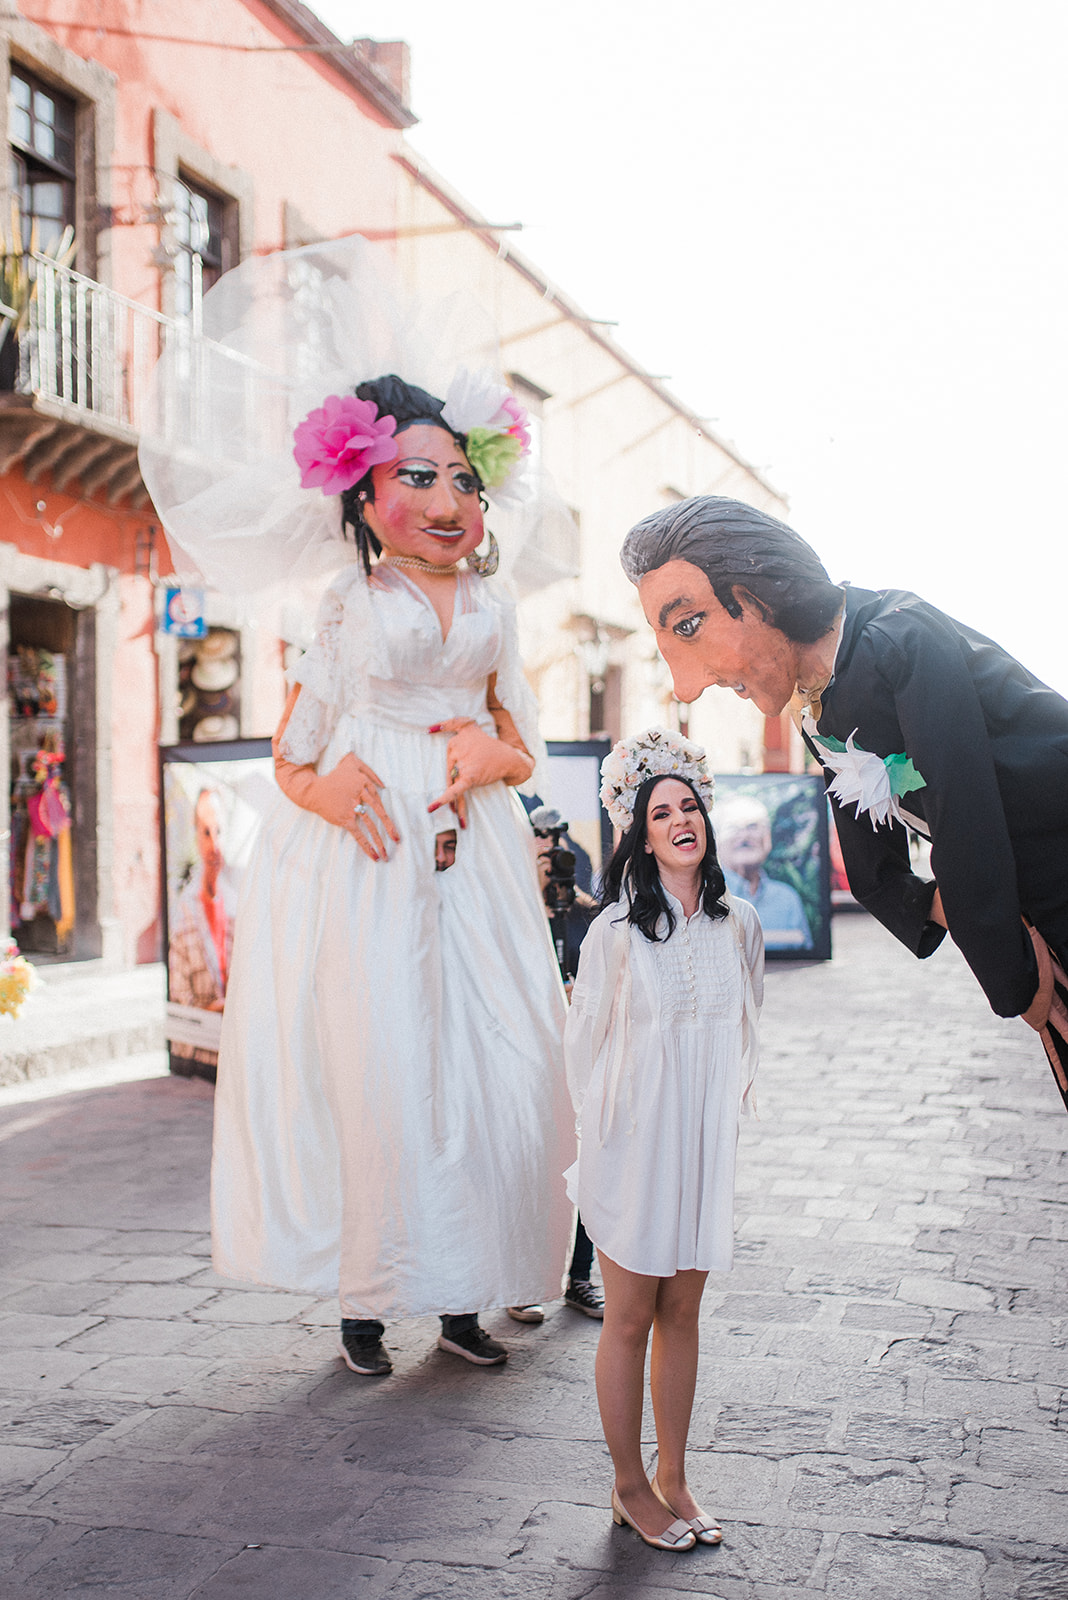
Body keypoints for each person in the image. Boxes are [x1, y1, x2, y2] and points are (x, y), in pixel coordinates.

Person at [620, 495, 1068, 1112]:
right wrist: (981, 921)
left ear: (754, 596)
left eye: (689, 625)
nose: (688, 684)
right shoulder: (815, 709)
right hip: (1040, 909)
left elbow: (969, 820)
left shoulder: (901, 636)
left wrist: (1019, 983)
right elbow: (874, 873)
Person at [564, 727, 763, 1552]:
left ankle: (676, 1476)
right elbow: (582, 1049)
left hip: (702, 1146)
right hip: (635, 1146)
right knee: (631, 1317)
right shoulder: (613, 933)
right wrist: (603, 1148)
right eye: (661, 812)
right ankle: (628, 1486)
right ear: (639, 834)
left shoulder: (739, 923)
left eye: (690, 807)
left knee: (685, 1312)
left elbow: (739, 1033)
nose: (681, 820)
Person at [507, 812, 605, 1326]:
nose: (551, 866)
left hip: (583, 1058)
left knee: (587, 1164)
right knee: (527, 1166)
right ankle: (522, 1280)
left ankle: (580, 1278)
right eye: (540, 855)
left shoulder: (587, 916)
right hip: (525, 1062)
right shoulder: (513, 918)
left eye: (555, 855)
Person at [168, 788, 236, 1078]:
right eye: (206, 832)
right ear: (195, 834)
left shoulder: (240, 903)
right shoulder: (183, 913)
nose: (214, 845)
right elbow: (180, 995)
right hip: (202, 1054)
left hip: (236, 1049)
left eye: (219, 831)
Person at [714, 794, 813, 951]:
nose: (744, 836)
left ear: (767, 839)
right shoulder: (702, 898)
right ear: (716, 841)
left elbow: (807, 961)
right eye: (733, 827)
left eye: (752, 826)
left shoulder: (787, 899)